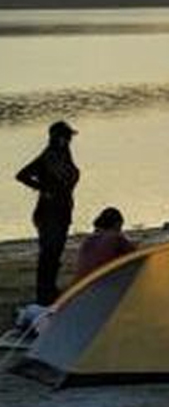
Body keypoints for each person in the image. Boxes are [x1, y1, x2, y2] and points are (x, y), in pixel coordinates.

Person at [16, 120, 80, 305]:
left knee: (55, 252)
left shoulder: (64, 154)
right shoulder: (48, 156)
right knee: (49, 253)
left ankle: (50, 290)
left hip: (63, 209)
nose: (69, 140)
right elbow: (22, 175)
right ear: (58, 137)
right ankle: (44, 294)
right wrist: (44, 188)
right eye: (66, 136)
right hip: (48, 211)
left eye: (69, 137)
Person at [74, 206, 136, 281]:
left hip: (83, 285)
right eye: (120, 226)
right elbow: (136, 255)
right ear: (117, 224)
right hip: (103, 283)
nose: (120, 230)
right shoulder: (116, 238)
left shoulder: (87, 240)